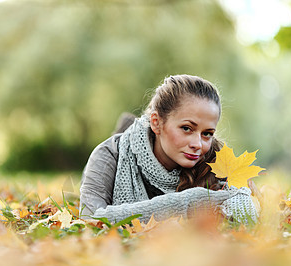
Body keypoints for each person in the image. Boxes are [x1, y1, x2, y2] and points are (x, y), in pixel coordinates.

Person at [79, 75, 258, 224]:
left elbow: (249, 215)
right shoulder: (109, 154)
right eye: (187, 128)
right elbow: (91, 218)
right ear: (156, 122)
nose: (198, 144)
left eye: (207, 133)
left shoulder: (216, 160)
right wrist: (189, 202)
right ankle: (125, 127)